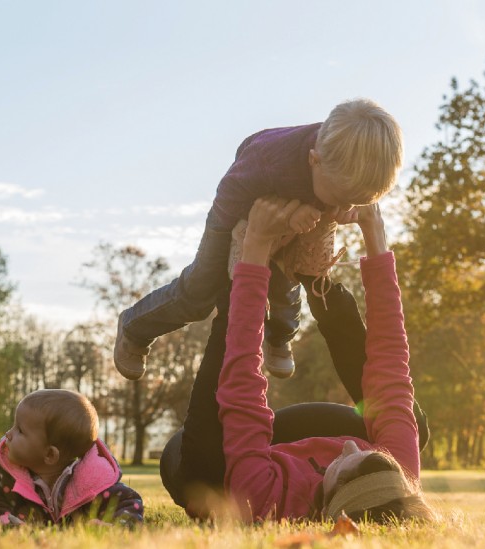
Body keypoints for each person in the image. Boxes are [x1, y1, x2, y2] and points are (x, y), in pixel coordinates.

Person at [160, 197, 434, 523]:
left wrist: (256, 250)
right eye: (368, 454)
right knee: (411, 426)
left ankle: (234, 283)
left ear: (335, 501)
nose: (349, 445)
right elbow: (391, 368)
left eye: (350, 462)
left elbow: (242, 383)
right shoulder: (395, 480)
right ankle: (315, 277)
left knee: (203, 475)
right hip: (289, 446)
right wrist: (375, 234)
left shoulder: (263, 501)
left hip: (216, 453)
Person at [115, 99, 404, 380]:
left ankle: (279, 336)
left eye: (356, 202)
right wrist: (247, 232)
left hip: (300, 214)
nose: (346, 208)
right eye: (343, 199)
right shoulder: (270, 160)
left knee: (291, 275)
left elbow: (340, 200)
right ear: (314, 160)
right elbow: (229, 193)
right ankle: (134, 327)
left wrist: (339, 209)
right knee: (200, 292)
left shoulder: (343, 163)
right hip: (237, 215)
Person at [0, 389, 144, 526]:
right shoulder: (1, 474)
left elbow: (129, 503)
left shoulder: (93, 483)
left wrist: (115, 526)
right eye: (13, 426)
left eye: (20, 430)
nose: (8, 434)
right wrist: (2, 520)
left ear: (49, 454)